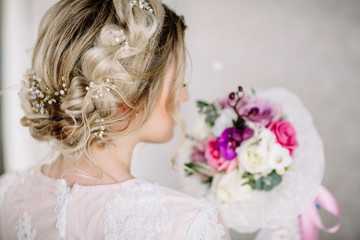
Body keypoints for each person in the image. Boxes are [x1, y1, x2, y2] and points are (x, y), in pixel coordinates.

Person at [0, 0, 226, 239]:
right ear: (129, 94)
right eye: (180, 82)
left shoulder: (5, 194)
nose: (184, 96)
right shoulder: (188, 223)